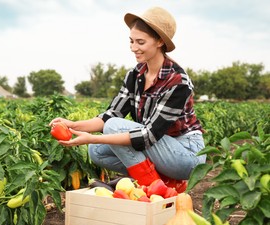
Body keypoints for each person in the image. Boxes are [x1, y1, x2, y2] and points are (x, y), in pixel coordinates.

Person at [49, 6, 206, 189]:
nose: (133, 48)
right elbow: (110, 114)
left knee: (113, 128)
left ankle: (153, 187)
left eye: (140, 42)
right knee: (96, 151)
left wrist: (92, 137)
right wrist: (72, 125)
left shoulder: (177, 81)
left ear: (159, 41)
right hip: (159, 147)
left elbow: (148, 135)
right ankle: (164, 183)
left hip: (186, 155)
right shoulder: (135, 75)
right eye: (131, 41)